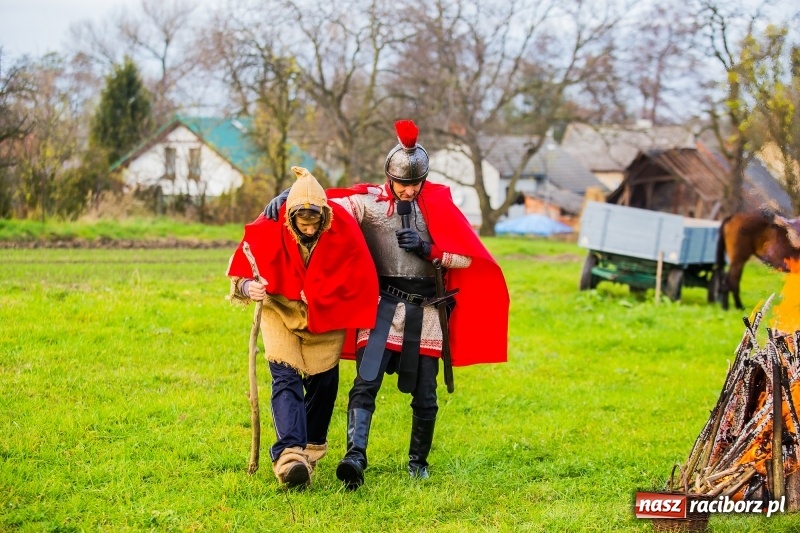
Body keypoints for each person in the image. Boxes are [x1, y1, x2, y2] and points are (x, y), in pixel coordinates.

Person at [264, 120, 509, 490]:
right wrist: (293, 195)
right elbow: (327, 206)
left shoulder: (438, 206)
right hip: (380, 307)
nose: (409, 190)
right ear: (389, 177)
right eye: (403, 183)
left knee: (426, 393)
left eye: (415, 183)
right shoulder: (370, 204)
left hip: (427, 310)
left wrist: (430, 250)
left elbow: (466, 257)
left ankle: (418, 462)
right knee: (365, 385)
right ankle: (355, 457)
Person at [227, 166, 378, 488]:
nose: (309, 229)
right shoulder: (270, 224)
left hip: (328, 316)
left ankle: (308, 452)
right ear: (290, 218)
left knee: (324, 384)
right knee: (285, 378)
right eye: (302, 223)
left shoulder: (344, 226)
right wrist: (247, 289)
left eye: (315, 223)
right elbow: (241, 272)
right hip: (280, 311)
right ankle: (289, 455)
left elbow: (367, 194)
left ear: (324, 216)